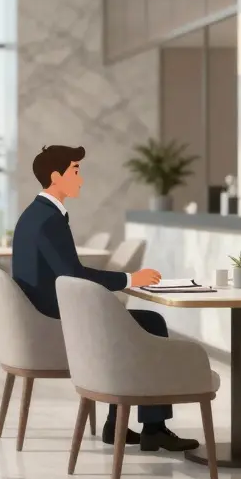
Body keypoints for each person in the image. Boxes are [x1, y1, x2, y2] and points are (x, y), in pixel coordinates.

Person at [10, 145, 198, 452]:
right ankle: (153, 427)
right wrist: (129, 279)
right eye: (75, 171)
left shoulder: (34, 215)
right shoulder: (48, 220)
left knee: (143, 322)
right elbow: (75, 274)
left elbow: (67, 273)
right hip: (58, 325)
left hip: (43, 320)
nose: (81, 179)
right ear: (56, 177)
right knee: (150, 322)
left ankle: (118, 425)